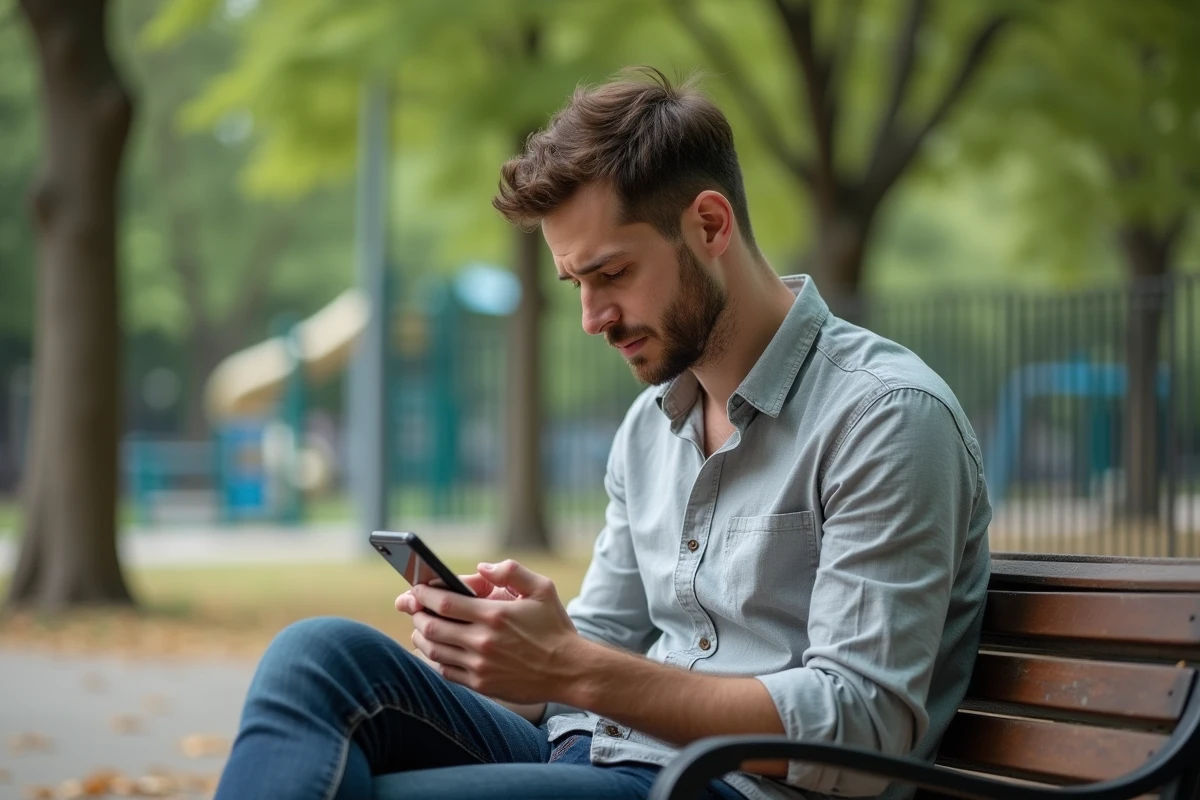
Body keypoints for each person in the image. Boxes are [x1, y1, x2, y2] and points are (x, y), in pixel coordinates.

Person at [214, 67, 991, 800]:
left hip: (731, 787)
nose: (592, 319)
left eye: (613, 274)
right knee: (318, 656)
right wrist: (506, 649)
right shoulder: (649, 427)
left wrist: (573, 667)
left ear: (710, 225)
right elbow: (594, 651)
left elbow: (862, 725)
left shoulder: (884, 417)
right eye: (576, 284)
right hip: (602, 754)